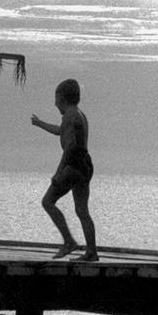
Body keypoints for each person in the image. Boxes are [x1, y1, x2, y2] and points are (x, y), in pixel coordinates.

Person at [31, 79, 98, 261]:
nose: (54, 103)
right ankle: (91, 252)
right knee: (82, 210)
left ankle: (68, 241)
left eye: (56, 98)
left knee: (48, 201)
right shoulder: (78, 114)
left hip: (73, 166)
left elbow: (70, 147)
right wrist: (39, 123)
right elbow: (60, 131)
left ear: (61, 98)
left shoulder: (69, 116)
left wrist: (59, 172)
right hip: (85, 165)